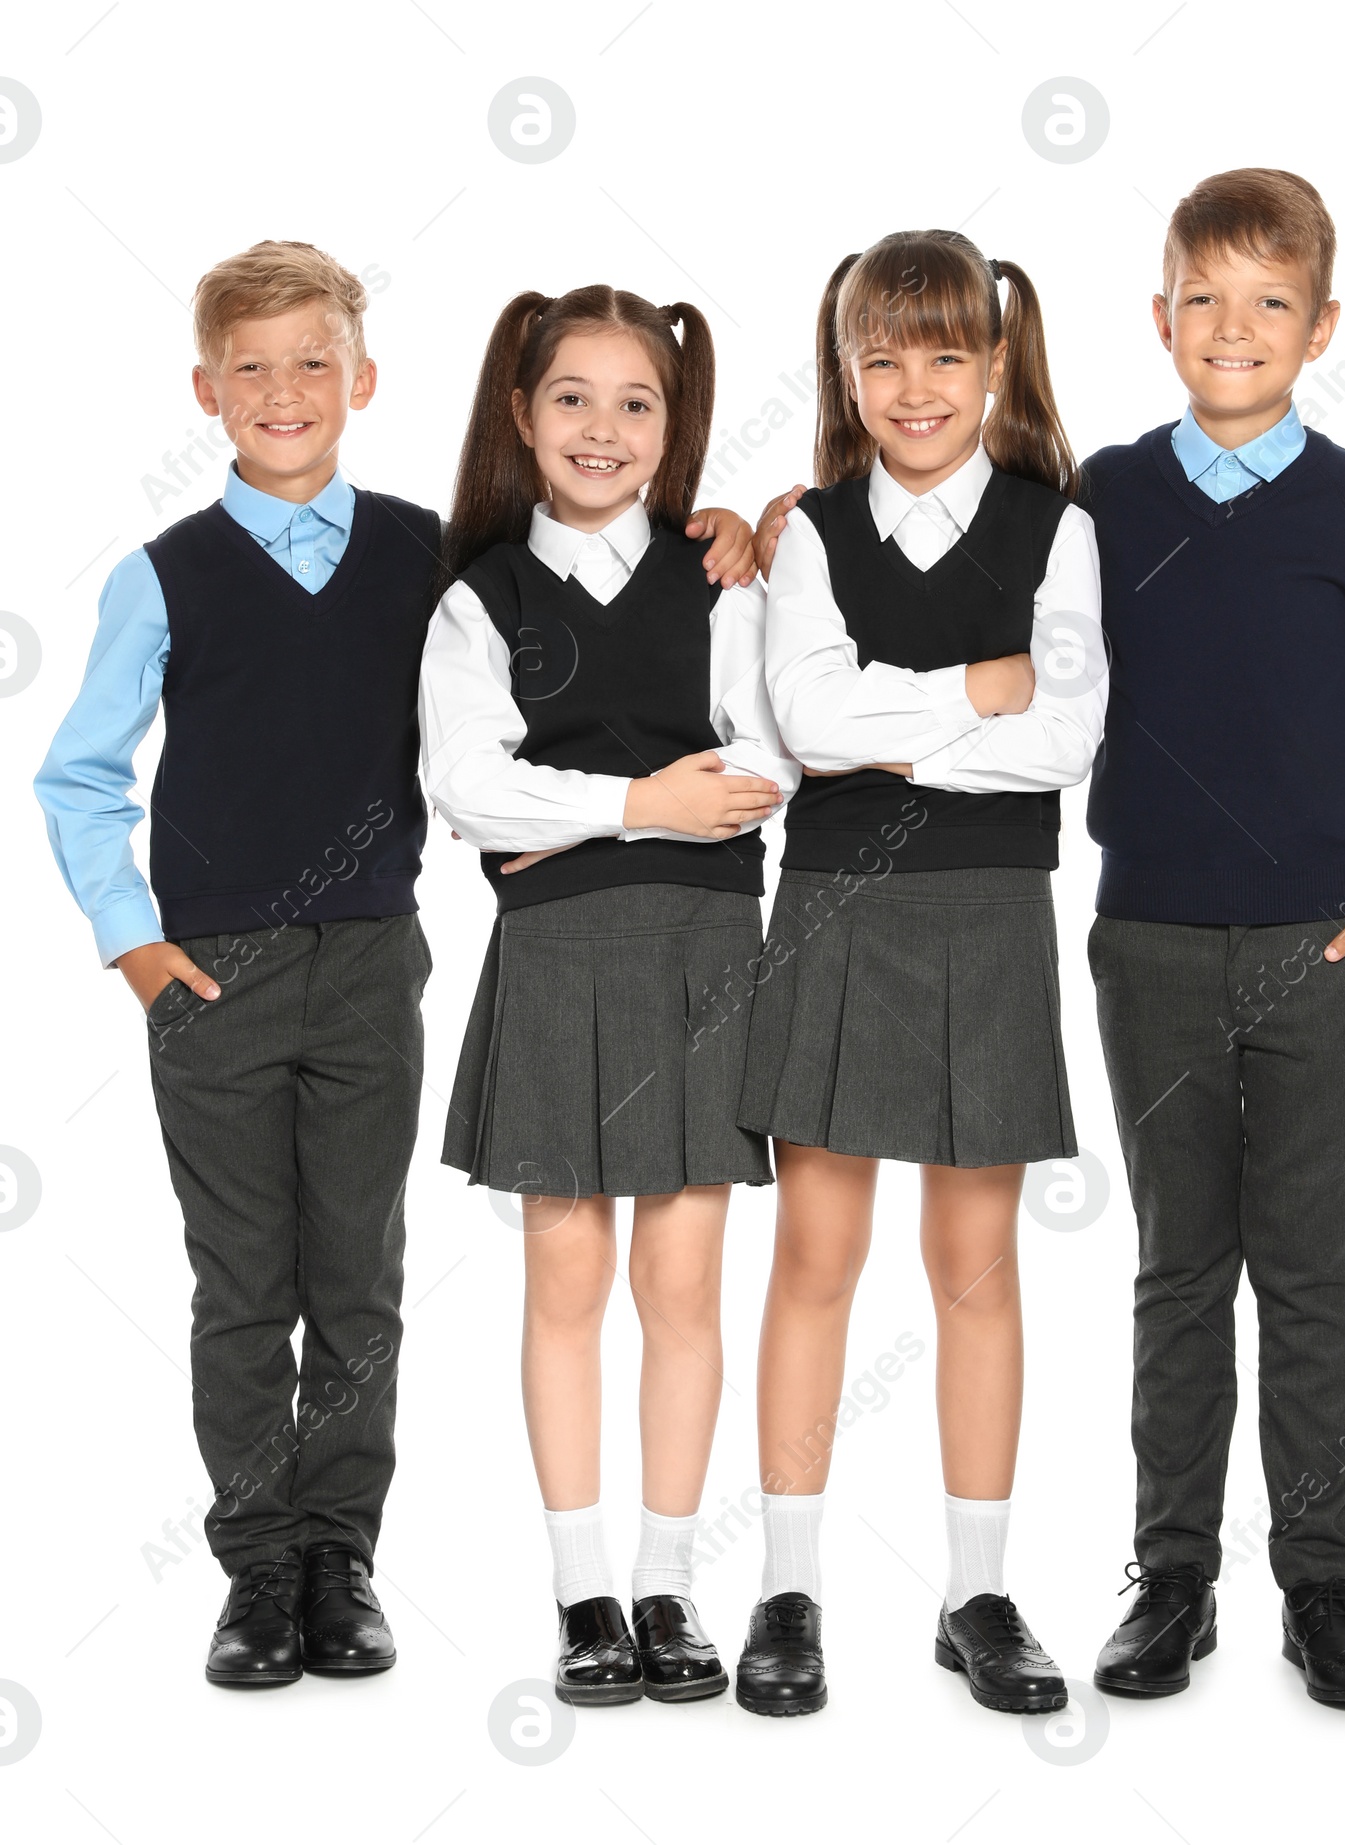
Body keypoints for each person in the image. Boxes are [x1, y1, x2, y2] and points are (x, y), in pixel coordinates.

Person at [35, 244, 757, 1692]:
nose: (284, 391)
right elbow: (81, 775)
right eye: (251, 368)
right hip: (214, 974)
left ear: (363, 382)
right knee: (243, 1281)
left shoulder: (430, 560)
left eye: (314, 363)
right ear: (205, 392)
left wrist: (734, 521)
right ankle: (257, 1563)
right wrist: (135, 942)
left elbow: (541, 642)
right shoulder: (163, 574)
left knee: (359, 1275)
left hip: (374, 960)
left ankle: (341, 1556)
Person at [1078, 169, 1345, 1708]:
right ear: (1163, 315)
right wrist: (771, 517)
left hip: (1326, 951)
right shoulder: (1104, 494)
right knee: (1179, 1266)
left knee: (1309, 1272)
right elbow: (965, 569)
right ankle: (1170, 1575)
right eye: (1204, 297)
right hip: (1151, 944)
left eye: (1269, 302)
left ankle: (1322, 1587)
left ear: (1320, 327)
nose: (1232, 328)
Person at [736, 229, 1105, 1716]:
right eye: (881, 355)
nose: (913, 384)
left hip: (992, 914)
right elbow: (809, 724)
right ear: (845, 370)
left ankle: (977, 1591)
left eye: (946, 352)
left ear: (997, 364)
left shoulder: (1053, 526)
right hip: (833, 906)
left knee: (975, 1270)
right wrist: (972, 692)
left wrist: (898, 725)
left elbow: (1065, 739)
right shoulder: (810, 530)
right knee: (816, 1262)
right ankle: (789, 1583)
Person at [420, 285, 796, 1706]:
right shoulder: (481, 596)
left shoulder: (722, 575)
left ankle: (668, 1582)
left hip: (707, 951)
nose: (602, 427)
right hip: (559, 953)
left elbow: (761, 767)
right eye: (571, 396)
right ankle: (582, 1593)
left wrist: (566, 808)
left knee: (684, 1284)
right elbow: (464, 788)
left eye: (637, 401)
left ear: (674, 424)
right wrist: (647, 795)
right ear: (521, 416)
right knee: (566, 1279)